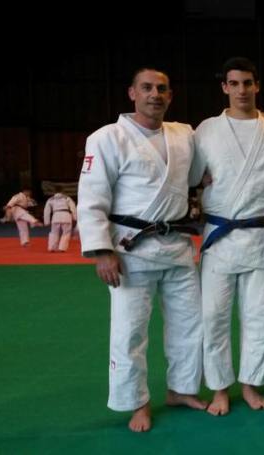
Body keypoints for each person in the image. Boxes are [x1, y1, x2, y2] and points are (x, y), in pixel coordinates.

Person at [77, 68, 206, 432]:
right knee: (130, 331)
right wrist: (101, 251)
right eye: (146, 88)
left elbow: (196, 175)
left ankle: (181, 389)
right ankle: (137, 402)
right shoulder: (107, 138)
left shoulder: (184, 135)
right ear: (132, 93)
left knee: (189, 324)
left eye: (162, 88)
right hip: (130, 250)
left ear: (170, 95)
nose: (155, 94)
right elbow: (91, 197)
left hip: (178, 247)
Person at [190, 57, 264, 415]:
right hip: (220, 237)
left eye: (247, 83)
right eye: (234, 84)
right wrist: (201, 183)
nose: (241, 90)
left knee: (260, 316)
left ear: (257, 85)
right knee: (213, 317)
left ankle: (250, 384)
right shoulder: (207, 129)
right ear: (224, 87)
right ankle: (219, 389)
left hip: (259, 236)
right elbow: (192, 176)